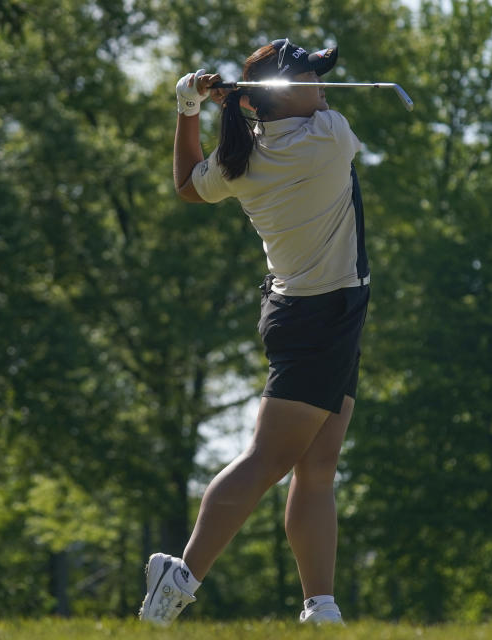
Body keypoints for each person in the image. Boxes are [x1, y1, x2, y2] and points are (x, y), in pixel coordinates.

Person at [138, 37, 370, 626]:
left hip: (320, 313)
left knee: (318, 468)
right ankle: (181, 575)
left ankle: (321, 607)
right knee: (269, 458)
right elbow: (310, 114)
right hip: (319, 316)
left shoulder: (243, 159)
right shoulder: (329, 136)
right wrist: (233, 102)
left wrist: (194, 109)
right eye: (314, 78)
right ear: (288, 94)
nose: (324, 87)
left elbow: (189, 184)